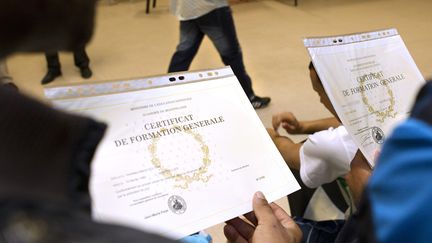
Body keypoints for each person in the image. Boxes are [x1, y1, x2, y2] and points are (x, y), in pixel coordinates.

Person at [268, 62, 357, 189]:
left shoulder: (334, 144)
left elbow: (292, 155)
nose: (321, 100)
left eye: (320, 93)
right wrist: (302, 127)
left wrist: (271, 137)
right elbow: (346, 125)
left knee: (308, 170)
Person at [168, 0, 271, 109]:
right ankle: (248, 97)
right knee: (232, 54)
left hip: (186, 8)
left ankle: (166, 95)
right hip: (211, 8)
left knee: (184, 54)